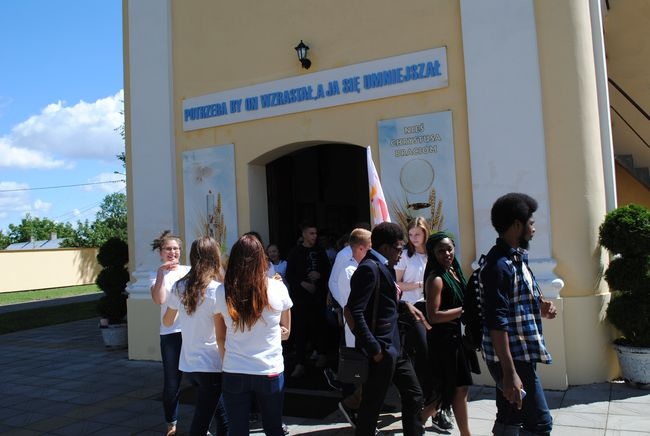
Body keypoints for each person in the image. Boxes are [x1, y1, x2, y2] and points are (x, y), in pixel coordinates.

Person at [480, 193, 557, 436]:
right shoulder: (497, 266)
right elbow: (496, 321)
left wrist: (540, 306)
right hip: (512, 359)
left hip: (520, 355)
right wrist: (509, 372)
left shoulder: (517, 259)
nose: (534, 228)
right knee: (540, 423)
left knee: (509, 418)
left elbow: (516, 303)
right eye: (531, 223)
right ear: (516, 225)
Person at [345, 222, 428, 436]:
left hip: (396, 349)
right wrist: (374, 349)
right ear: (385, 248)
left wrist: (405, 305)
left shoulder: (385, 268)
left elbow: (383, 302)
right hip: (381, 351)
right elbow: (353, 311)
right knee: (372, 406)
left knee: (414, 395)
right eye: (399, 248)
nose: (401, 254)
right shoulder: (369, 269)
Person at [215, 234, 292, 436]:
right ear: (262, 259)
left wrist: (227, 362)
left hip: (234, 369)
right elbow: (286, 333)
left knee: (237, 430)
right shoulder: (278, 287)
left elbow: (220, 337)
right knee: (274, 428)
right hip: (269, 369)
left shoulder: (221, 292)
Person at [162, 236, 228, 436]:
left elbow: (167, 321)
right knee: (204, 421)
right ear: (214, 258)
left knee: (222, 415)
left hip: (190, 362)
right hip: (212, 363)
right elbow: (222, 335)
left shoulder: (180, 286)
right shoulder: (217, 291)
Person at [422, 231, 478, 436]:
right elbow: (433, 316)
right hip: (444, 341)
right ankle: (464, 433)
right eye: (441, 251)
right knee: (453, 390)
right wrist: (465, 310)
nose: (446, 253)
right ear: (432, 254)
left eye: (449, 249)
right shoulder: (436, 279)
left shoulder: (454, 271)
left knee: (457, 389)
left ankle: (418, 420)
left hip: (457, 338)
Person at [149, 230, 191, 436]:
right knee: (172, 381)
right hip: (170, 334)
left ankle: (205, 422)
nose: (172, 252)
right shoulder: (155, 274)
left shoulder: (189, 270)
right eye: (168, 249)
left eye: (175, 248)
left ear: (180, 251)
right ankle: (171, 424)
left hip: (193, 332)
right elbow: (159, 300)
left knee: (201, 379)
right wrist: (160, 273)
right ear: (160, 252)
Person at [330, 228, 372, 428]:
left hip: (362, 327)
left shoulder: (362, 265)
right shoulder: (347, 264)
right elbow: (336, 285)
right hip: (356, 326)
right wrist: (343, 309)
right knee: (357, 372)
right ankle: (351, 405)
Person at [285, 221, 331, 376]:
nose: (314, 236)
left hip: (317, 297)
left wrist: (320, 275)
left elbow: (328, 271)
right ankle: (299, 363)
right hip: (300, 299)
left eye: (315, 233)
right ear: (304, 234)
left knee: (319, 326)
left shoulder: (320, 251)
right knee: (300, 330)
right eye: (311, 233)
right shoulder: (295, 252)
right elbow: (290, 274)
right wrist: (302, 283)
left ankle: (322, 354)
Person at [395, 216, 428, 304]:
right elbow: (396, 283)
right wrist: (420, 285)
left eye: (417, 234)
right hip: (410, 305)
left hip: (431, 304)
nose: (413, 238)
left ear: (425, 233)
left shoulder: (433, 253)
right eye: (410, 235)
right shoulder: (404, 255)